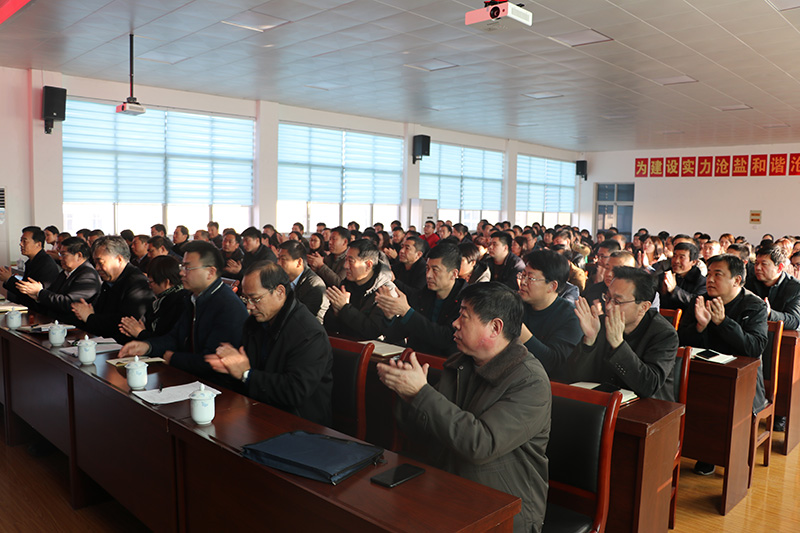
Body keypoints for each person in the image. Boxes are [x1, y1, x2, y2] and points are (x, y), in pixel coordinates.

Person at [377, 282, 551, 533]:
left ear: (495, 327)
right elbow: (426, 433)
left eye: (464, 316)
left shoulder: (530, 381)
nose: (455, 323)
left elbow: (480, 444)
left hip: (505, 504)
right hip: (450, 484)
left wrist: (421, 394)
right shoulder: (461, 363)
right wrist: (409, 396)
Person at [205, 262, 333, 425]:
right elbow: (245, 368)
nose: (249, 306)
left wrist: (246, 374)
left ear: (279, 291)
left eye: (255, 299)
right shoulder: (254, 322)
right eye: (246, 298)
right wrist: (229, 368)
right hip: (259, 408)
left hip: (301, 423)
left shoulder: (309, 333)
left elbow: (294, 391)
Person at [678, 254, 768, 476]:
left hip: (742, 383)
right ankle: (696, 449)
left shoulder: (754, 306)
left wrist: (723, 322)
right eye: (708, 274)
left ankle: (717, 454)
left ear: (736, 280)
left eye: (717, 275)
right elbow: (680, 340)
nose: (709, 280)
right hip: (702, 375)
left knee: (717, 401)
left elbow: (754, 347)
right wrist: (699, 327)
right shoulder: (700, 300)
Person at [118, 241, 249, 384]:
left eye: (188, 268)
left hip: (217, 387)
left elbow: (213, 359)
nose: (181, 273)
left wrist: (172, 358)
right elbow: (176, 337)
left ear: (210, 272)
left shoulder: (227, 306)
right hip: (192, 378)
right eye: (182, 267)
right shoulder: (192, 298)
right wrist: (148, 346)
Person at [565, 267, 678, 400]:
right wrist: (589, 340)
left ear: (643, 307)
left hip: (648, 408)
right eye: (607, 298)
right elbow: (573, 377)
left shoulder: (664, 334)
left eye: (617, 302)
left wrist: (618, 345)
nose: (608, 306)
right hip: (605, 403)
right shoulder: (600, 323)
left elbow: (648, 386)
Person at [377, 243, 465, 357]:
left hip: (444, 363)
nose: (428, 275)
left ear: (454, 274)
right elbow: (395, 335)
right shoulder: (424, 294)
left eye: (435, 270)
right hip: (415, 359)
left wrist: (407, 312)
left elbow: (446, 339)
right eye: (427, 268)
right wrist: (389, 316)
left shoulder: (466, 300)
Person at [71, 236, 154, 343]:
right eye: (95, 263)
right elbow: (99, 312)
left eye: (100, 262)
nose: (97, 268)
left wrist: (89, 317)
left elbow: (124, 323)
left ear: (119, 259)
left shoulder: (137, 283)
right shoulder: (109, 281)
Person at [518, 250, 583, 380]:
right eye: (523, 275)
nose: (523, 282)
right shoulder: (516, 303)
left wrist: (518, 329)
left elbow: (552, 363)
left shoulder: (571, 317)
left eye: (530, 278)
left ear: (552, 286)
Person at [16, 237, 101, 323]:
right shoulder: (65, 273)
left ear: (79, 255)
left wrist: (40, 292)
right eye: (60, 254)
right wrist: (37, 296)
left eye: (63, 255)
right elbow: (53, 293)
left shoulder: (88, 275)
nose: (60, 258)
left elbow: (69, 303)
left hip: (72, 325)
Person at [324, 239, 396, 340]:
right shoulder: (346, 284)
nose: (345, 266)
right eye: (345, 260)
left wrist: (344, 308)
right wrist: (335, 313)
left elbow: (373, 331)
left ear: (368, 265)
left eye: (351, 261)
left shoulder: (387, 291)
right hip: (346, 343)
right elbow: (330, 327)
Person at [119, 255, 187, 340]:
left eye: (151, 282)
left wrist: (140, 333)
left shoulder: (178, 303)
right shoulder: (159, 301)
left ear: (166, 282)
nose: (149, 286)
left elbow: (165, 340)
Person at [0, 226, 61, 307]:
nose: (21, 244)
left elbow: (29, 293)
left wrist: (8, 279)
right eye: (21, 241)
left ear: (38, 244)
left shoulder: (46, 264)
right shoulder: (32, 261)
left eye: (25, 241)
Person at [276, 240, 329, 323]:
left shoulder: (314, 285)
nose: (278, 263)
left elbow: (307, 319)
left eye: (283, 259)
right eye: (278, 258)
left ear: (299, 262)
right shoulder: (281, 278)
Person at [657, 242, 707, 310]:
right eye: (674, 256)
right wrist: (663, 293)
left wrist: (674, 290)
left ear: (693, 262)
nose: (676, 261)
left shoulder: (702, 282)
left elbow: (696, 303)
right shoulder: (665, 275)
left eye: (681, 257)